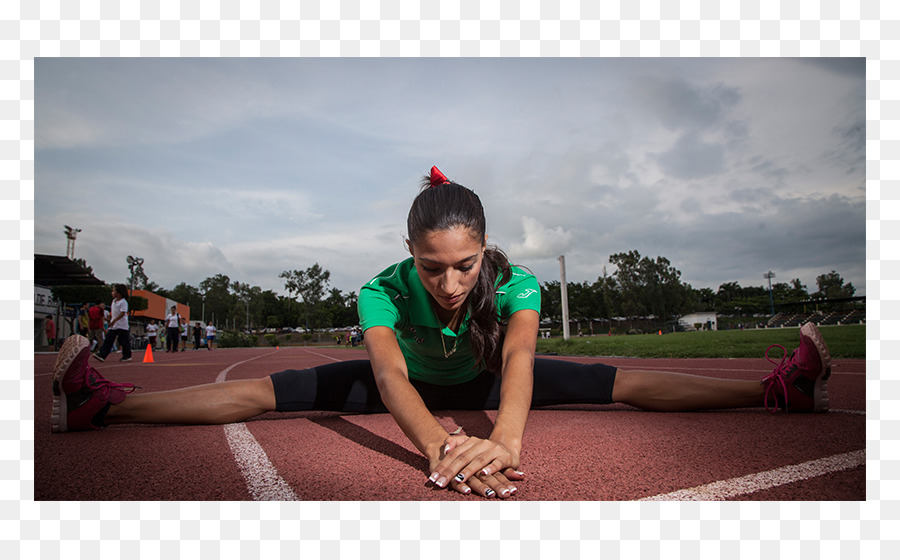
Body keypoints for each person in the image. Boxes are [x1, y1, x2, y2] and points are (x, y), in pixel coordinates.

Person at [49, 166, 833, 499]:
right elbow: (389, 378)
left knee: (611, 379)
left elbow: (521, 356)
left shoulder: (516, 282)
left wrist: (509, 442)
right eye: (433, 268)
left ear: (484, 251)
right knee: (263, 394)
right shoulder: (381, 292)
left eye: (464, 266)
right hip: (414, 381)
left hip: (488, 375)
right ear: (410, 255)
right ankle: (101, 405)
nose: (451, 284)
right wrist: (438, 446)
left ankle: (777, 391)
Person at [93, 284, 131, 363]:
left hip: (122, 325)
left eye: (114, 291)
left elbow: (122, 313)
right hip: (114, 326)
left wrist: (113, 321)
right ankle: (102, 355)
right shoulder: (113, 301)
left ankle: (127, 355)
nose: (112, 292)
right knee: (108, 339)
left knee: (123, 341)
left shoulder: (123, 302)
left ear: (119, 293)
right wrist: (111, 320)